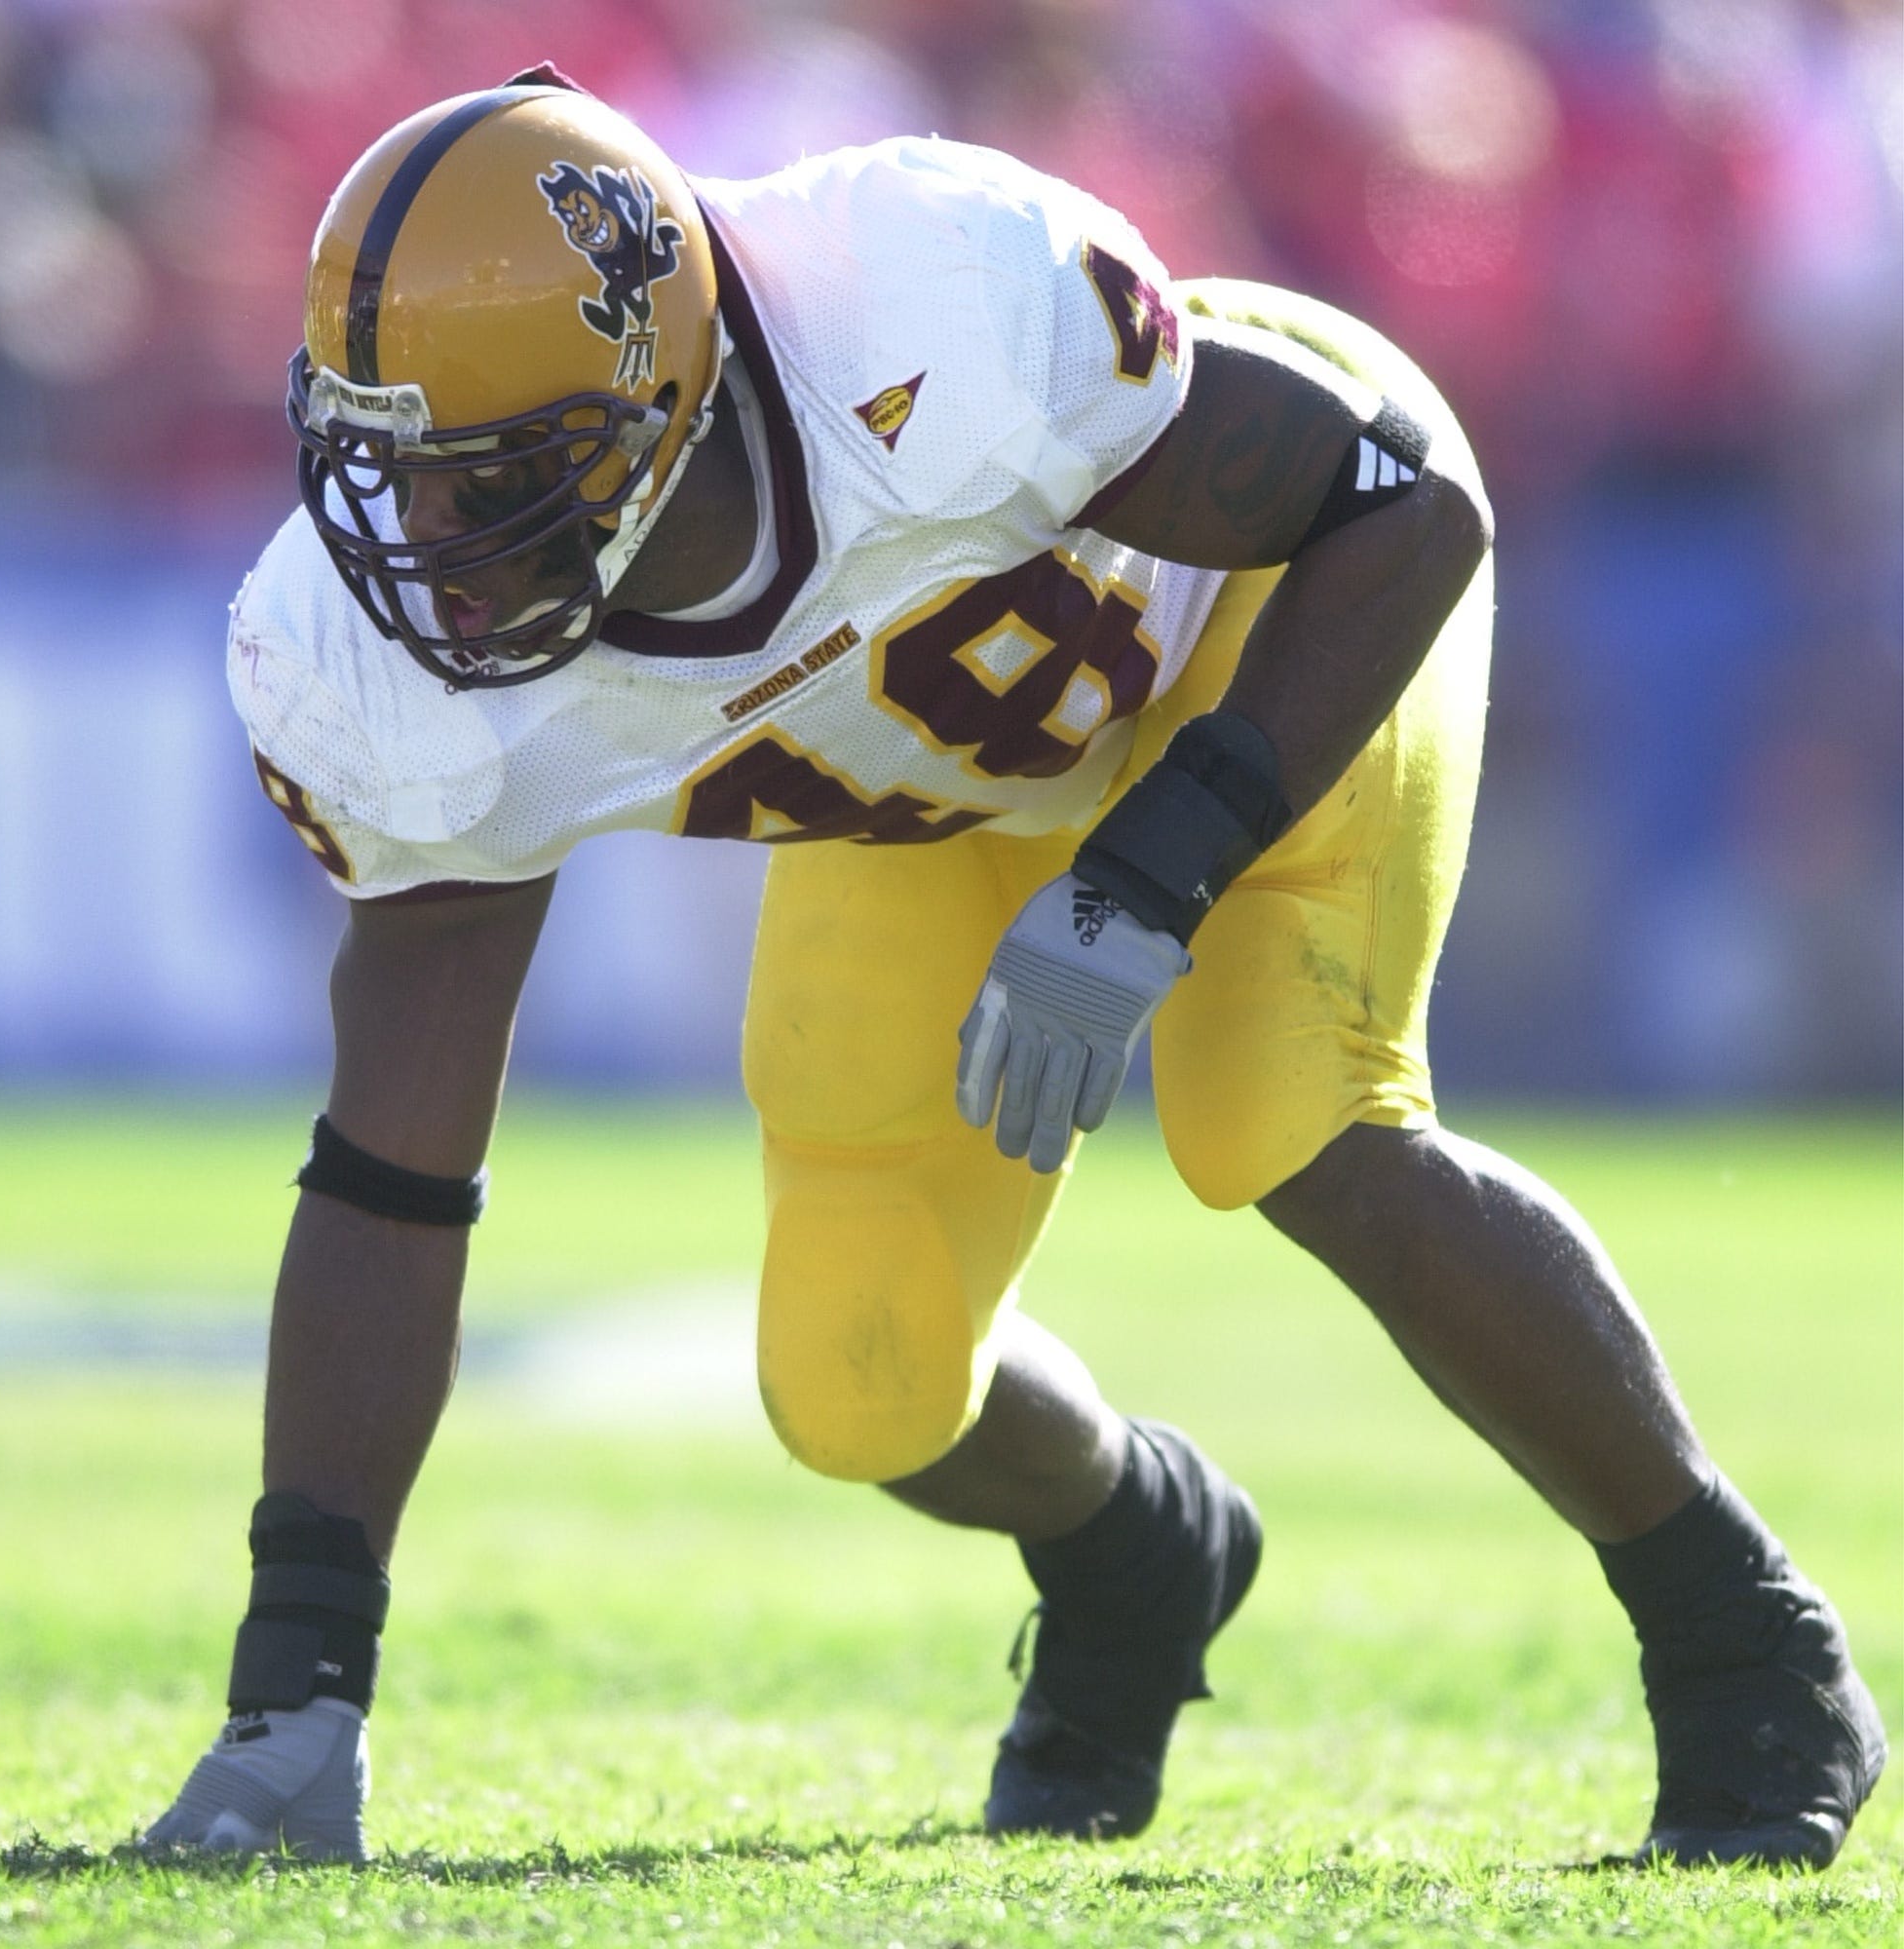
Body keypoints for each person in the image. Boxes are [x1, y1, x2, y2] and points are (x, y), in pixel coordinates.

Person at [145, 68, 1884, 1865]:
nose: (422, 549)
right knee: (860, 1380)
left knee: (1283, 1118)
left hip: (1253, 627)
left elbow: (1401, 507)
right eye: (393, 474)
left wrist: (1151, 875)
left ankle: (1748, 1640)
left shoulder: (937, 310)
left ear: (659, 397)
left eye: (492, 480)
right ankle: (1139, 1547)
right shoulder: (377, 669)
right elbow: (391, 1171)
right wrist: (301, 1685)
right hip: (942, 786)